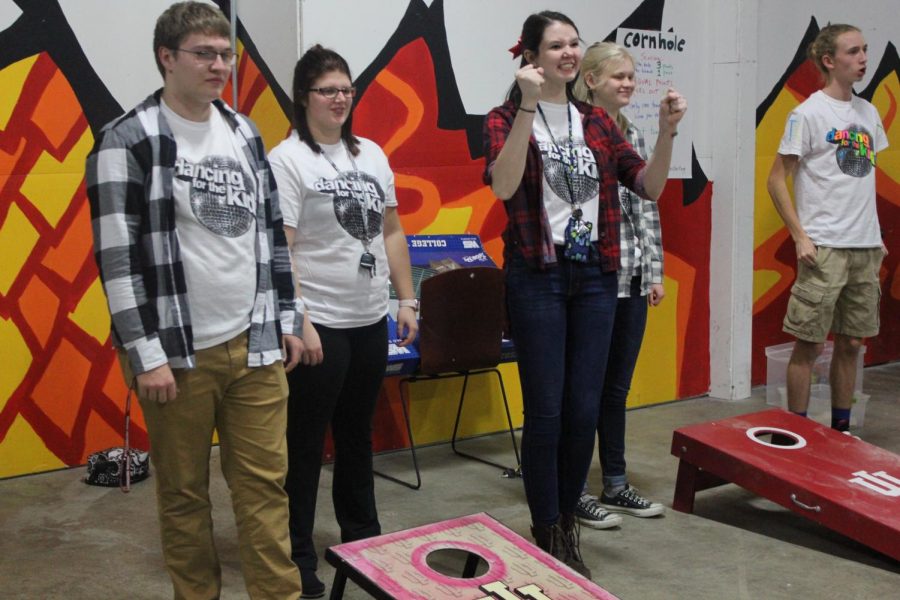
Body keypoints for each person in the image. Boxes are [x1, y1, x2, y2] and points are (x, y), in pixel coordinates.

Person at [85, 2, 304, 598]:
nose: (219, 65)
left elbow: (270, 235)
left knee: (265, 490)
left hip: (254, 344)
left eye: (225, 53)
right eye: (204, 54)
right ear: (167, 58)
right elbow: (117, 260)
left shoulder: (243, 130)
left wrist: (287, 316)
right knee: (184, 495)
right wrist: (145, 354)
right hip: (176, 354)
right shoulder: (127, 141)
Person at [482, 11, 684, 578]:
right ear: (532, 56)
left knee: (582, 409)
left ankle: (567, 521)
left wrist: (667, 133)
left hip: (596, 275)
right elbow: (502, 185)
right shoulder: (503, 117)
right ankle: (545, 526)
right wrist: (526, 108)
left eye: (574, 44)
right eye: (557, 45)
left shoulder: (596, 121)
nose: (569, 53)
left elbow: (648, 185)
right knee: (546, 411)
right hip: (538, 275)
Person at [268, 45, 418, 599]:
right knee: (304, 444)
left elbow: (392, 232)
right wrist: (299, 317)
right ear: (304, 98)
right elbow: (280, 248)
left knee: (358, 436)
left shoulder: (372, 155)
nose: (339, 98)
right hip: (319, 322)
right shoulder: (288, 160)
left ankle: (364, 541)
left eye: (346, 89)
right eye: (328, 90)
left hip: (368, 318)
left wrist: (407, 300)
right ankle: (297, 554)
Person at [571, 42, 674, 528]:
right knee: (583, 389)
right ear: (591, 79)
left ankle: (614, 482)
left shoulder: (631, 132)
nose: (628, 84)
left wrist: (654, 270)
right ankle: (573, 489)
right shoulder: (574, 130)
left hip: (632, 278)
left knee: (616, 389)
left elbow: (647, 208)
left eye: (632, 76)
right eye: (619, 77)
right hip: (593, 280)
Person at [767, 24, 887, 432]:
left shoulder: (869, 113)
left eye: (866, 50)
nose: (864, 59)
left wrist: (878, 238)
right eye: (854, 52)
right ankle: (796, 432)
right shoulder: (807, 113)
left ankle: (841, 430)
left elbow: (862, 181)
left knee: (853, 343)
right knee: (810, 342)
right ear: (829, 60)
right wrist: (801, 235)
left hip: (865, 247)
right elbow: (775, 180)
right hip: (825, 247)